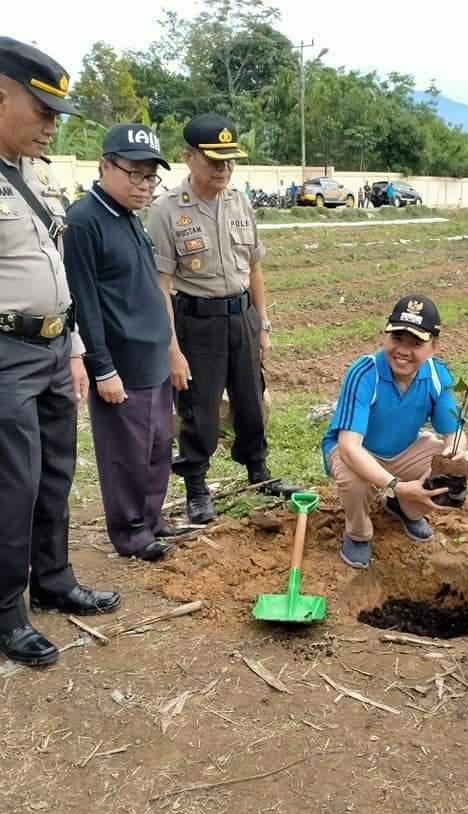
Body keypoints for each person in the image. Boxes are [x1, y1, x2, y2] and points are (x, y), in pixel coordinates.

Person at [0, 36, 119, 667]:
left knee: (54, 474)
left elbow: (56, 271)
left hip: (49, 350)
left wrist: (71, 346)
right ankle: (7, 612)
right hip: (4, 354)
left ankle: (53, 578)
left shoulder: (35, 176)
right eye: (41, 111)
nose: (51, 126)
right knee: (10, 485)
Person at [63, 124, 184, 562]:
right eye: (135, 174)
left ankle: (150, 518)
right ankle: (130, 531)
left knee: (155, 446)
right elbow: (85, 303)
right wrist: (102, 368)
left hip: (151, 355)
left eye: (151, 177)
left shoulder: (129, 217)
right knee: (126, 454)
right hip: (121, 361)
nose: (145, 186)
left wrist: (169, 348)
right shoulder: (84, 221)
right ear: (104, 167)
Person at [148, 113, 273, 524]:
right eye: (214, 161)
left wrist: (263, 324)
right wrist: (172, 349)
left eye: (230, 161)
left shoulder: (240, 202)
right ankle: (197, 486)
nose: (224, 169)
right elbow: (161, 284)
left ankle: (258, 469)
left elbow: (254, 268)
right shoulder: (167, 210)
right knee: (199, 409)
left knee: (250, 397)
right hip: (198, 322)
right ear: (188, 158)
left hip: (242, 317)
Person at [322, 295, 468, 569]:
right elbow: (349, 447)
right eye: (397, 339)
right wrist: (397, 486)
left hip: (403, 449)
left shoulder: (437, 375)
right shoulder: (364, 373)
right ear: (385, 336)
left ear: (434, 346)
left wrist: (454, 453)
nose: (403, 351)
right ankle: (358, 534)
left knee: (467, 465)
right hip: (358, 450)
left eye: (416, 343)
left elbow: (453, 433)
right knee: (354, 482)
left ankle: (406, 508)